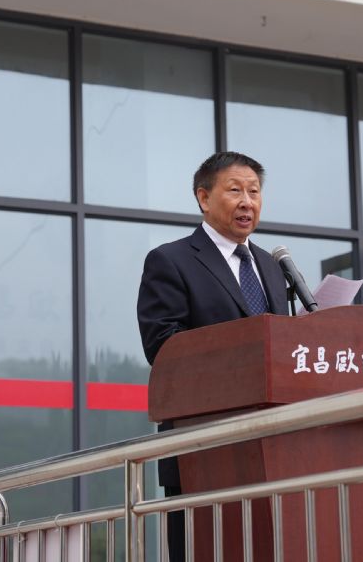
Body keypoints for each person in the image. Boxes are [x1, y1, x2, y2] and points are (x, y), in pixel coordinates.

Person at [137, 151, 289, 560]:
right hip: (202, 449)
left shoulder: (272, 267)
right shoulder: (171, 260)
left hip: (274, 447)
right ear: (204, 198)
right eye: (235, 190)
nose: (247, 202)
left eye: (254, 192)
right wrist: (242, 358)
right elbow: (164, 347)